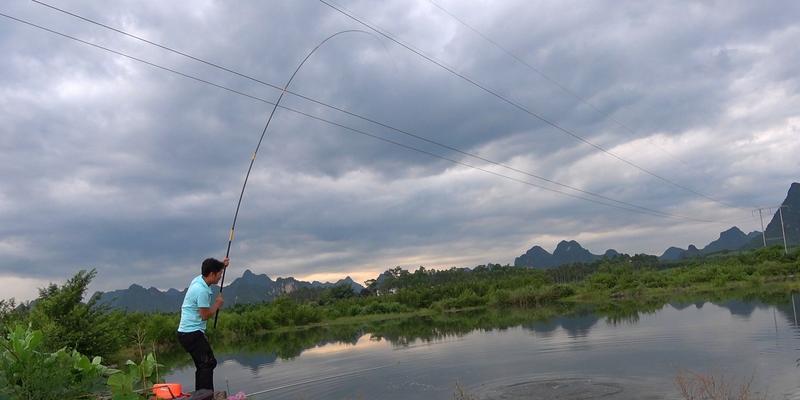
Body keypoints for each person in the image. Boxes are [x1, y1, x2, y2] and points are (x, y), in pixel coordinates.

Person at [177, 257, 229, 392]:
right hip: (191, 334)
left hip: (186, 333)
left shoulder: (199, 279)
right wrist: (217, 305)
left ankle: (201, 395)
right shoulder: (202, 291)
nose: (220, 277)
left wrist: (222, 265)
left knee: (204, 364)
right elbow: (204, 315)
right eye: (219, 274)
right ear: (211, 274)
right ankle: (205, 396)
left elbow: (213, 268)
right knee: (208, 363)